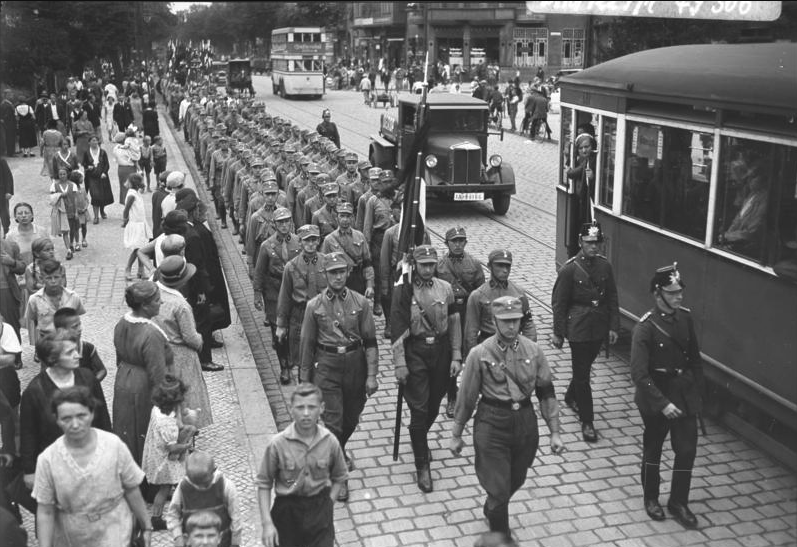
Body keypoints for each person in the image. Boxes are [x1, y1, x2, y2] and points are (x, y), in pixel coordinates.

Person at [450, 296, 564, 537]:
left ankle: (493, 504)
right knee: (499, 486)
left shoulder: (533, 350)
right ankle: (501, 536)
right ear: (494, 321)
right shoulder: (479, 354)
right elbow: (467, 396)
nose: (512, 326)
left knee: (518, 477)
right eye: (506, 321)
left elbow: (546, 392)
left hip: (524, 421)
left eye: (516, 320)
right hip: (491, 422)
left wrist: (554, 432)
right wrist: (456, 434)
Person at [299, 251, 378, 501]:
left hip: (355, 365)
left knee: (351, 418)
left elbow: (371, 342)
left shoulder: (360, 303)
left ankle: (338, 450)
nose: (337, 276)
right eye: (332, 272)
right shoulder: (314, 306)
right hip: (327, 366)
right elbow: (307, 344)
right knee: (333, 422)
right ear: (325, 274)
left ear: (348, 273)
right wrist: (305, 381)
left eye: (341, 271)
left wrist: (372, 375)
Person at [32, 386, 153, 547]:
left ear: (92, 414)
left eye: (81, 415)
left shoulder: (113, 445)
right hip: (73, 537)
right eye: (66, 418)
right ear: (57, 419)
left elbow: (131, 488)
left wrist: (146, 526)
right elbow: (46, 510)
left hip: (116, 532)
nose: (75, 424)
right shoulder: (47, 460)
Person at [631, 263, 703, 529]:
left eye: (680, 291)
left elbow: (694, 359)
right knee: (654, 448)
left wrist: (696, 393)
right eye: (672, 293)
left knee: (686, 450)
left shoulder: (685, 318)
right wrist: (663, 404)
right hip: (656, 394)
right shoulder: (646, 327)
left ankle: (678, 502)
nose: (679, 296)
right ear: (658, 294)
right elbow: (639, 374)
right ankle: (651, 498)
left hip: (683, 393)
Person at [390, 245, 462, 493]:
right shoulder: (405, 290)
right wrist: (400, 362)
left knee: (433, 405)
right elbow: (398, 329)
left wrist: (456, 355)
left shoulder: (446, 288)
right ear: (415, 265)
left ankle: (418, 436)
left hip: (441, 352)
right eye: (424, 265)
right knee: (419, 410)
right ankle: (422, 465)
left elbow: (454, 322)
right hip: (416, 353)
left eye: (432, 264)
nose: (429, 269)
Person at [551, 221, 619, 443]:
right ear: (580, 242)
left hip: (598, 326)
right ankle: (587, 421)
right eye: (589, 242)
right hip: (578, 328)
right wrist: (559, 333)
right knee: (583, 374)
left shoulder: (604, 266)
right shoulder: (570, 269)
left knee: (584, 368)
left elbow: (612, 298)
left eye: (596, 242)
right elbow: (559, 303)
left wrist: (613, 326)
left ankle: (571, 395)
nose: (593, 247)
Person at [256, 383, 347, 547]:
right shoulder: (278, 444)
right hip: (287, 513)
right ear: (291, 409)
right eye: (300, 407)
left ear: (322, 408)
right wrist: (267, 523)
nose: (306, 413)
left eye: (312, 407)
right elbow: (264, 483)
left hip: (319, 510)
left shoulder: (330, 442)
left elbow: (340, 476)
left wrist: (328, 505)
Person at [21, 332, 111, 494]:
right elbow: (28, 433)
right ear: (52, 359)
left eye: (76, 350)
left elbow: (103, 417)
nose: (78, 355)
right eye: (70, 353)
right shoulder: (34, 391)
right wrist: (29, 470)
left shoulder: (88, 378)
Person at [113, 281, 173, 465]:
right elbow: (158, 374)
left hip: (124, 379)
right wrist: (168, 408)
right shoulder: (151, 333)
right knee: (145, 431)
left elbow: (118, 358)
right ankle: (149, 482)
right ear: (145, 306)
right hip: (144, 386)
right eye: (156, 300)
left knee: (126, 428)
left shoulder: (122, 323)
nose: (160, 303)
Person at [153, 255, 213, 429]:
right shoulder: (180, 305)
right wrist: (200, 340)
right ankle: (188, 431)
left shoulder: (155, 291)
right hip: (181, 355)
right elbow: (190, 337)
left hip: (161, 350)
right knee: (188, 395)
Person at [436, 226, 485, 418]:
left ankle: (472, 395)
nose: (457, 244)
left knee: (471, 352)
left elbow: (481, 292)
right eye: (453, 241)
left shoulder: (474, 263)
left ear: (465, 242)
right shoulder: (439, 265)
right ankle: (452, 398)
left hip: (468, 310)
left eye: (461, 240)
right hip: (448, 311)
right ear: (446, 243)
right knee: (451, 354)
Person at [253, 207, 301, 385]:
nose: (284, 225)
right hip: (274, 290)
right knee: (278, 330)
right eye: (280, 222)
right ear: (274, 224)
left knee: (293, 327)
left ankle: (292, 359)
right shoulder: (267, 246)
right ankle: (284, 367)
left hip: (294, 291)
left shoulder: (299, 242)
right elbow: (259, 272)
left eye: (287, 221)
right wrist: (257, 293)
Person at [275, 225, 328, 384]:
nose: (311, 244)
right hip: (300, 317)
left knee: (323, 358)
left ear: (318, 241)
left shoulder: (326, 262)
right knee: (302, 360)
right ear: (300, 242)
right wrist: (281, 325)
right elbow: (284, 297)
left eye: (314, 240)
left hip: (322, 316)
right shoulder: (291, 267)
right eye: (307, 240)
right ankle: (304, 391)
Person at [142, 375, 196, 531]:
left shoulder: (157, 409)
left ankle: (183, 510)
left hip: (157, 455)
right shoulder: (167, 422)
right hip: (165, 462)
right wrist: (187, 446)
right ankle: (156, 518)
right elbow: (172, 448)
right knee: (165, 489)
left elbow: (177, 423)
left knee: (178, 484)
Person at [464, 250, 536, 357]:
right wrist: (474, 358)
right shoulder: (478, 296)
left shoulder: (519, 293)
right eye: (500, 266)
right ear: (489, 266)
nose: (505, 270)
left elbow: (528, 324)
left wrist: (529, 351)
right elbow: (471, 332)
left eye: (508, 266)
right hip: (488, 348)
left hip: (514, 347)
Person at [166, 451, 242, 547]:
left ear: (213, 471)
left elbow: (236, 517)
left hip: (222, 542)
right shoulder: (183, 486)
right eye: (195, 483)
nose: (199, 487)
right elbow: (173, 514)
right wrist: (178, 537)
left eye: (204, 483)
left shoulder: (226, 486)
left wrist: (235, 543)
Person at [25, 259, 85, 344]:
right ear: (42, 278)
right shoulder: (34, 300)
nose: (53, 281)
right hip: (47, 344)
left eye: (56, 277)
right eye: (49, 278)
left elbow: (77, 318)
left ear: (61, 276)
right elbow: (35, 320)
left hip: (70, 344)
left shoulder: (73, 297)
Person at [52, 307, 107, 382]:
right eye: (75, 327)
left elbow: (102, 370)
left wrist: (92, 384)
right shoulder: (54, 352)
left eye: (79, 324)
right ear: (61, 331)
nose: (80, 328)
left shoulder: (88, 348)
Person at [566, 132, 597, 257]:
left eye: (587, 146)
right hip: (581, 202)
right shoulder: (581, 160)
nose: (584, 150)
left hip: (588, 205)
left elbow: (572, 173)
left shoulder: (590, 161)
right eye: (581, 148)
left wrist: (593, 177)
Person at [123, 173, 153, 280]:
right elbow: (126, 209)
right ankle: (128, 268)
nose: (143, 184)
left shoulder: (136, 193)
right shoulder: (132, 194)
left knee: (142, 247)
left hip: (141, 223)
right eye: (141, 182)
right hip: (135, 224)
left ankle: (141, 270)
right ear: (136, 184)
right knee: (137, 248)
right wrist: (125, 220)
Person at [82, 134, 113, 222]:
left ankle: (102, 211)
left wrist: (104, 172)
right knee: (95, 195)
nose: (95, 142)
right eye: (93, 140)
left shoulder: (103, 152)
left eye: (96, 140)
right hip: (91, 177)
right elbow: (84, 164)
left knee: (102, 195)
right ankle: (96, 216)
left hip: (102, 176)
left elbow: (107, 164)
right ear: (89, 142)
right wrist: (88, 166)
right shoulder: (86, 152)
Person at [113, 131, 138, 205]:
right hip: (129, 168)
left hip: (121, 168)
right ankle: (130, 203)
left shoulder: (116, 148)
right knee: (132, 186)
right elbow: (134, 158)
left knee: (123, 187)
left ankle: (125, 202)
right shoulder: (128, 148)